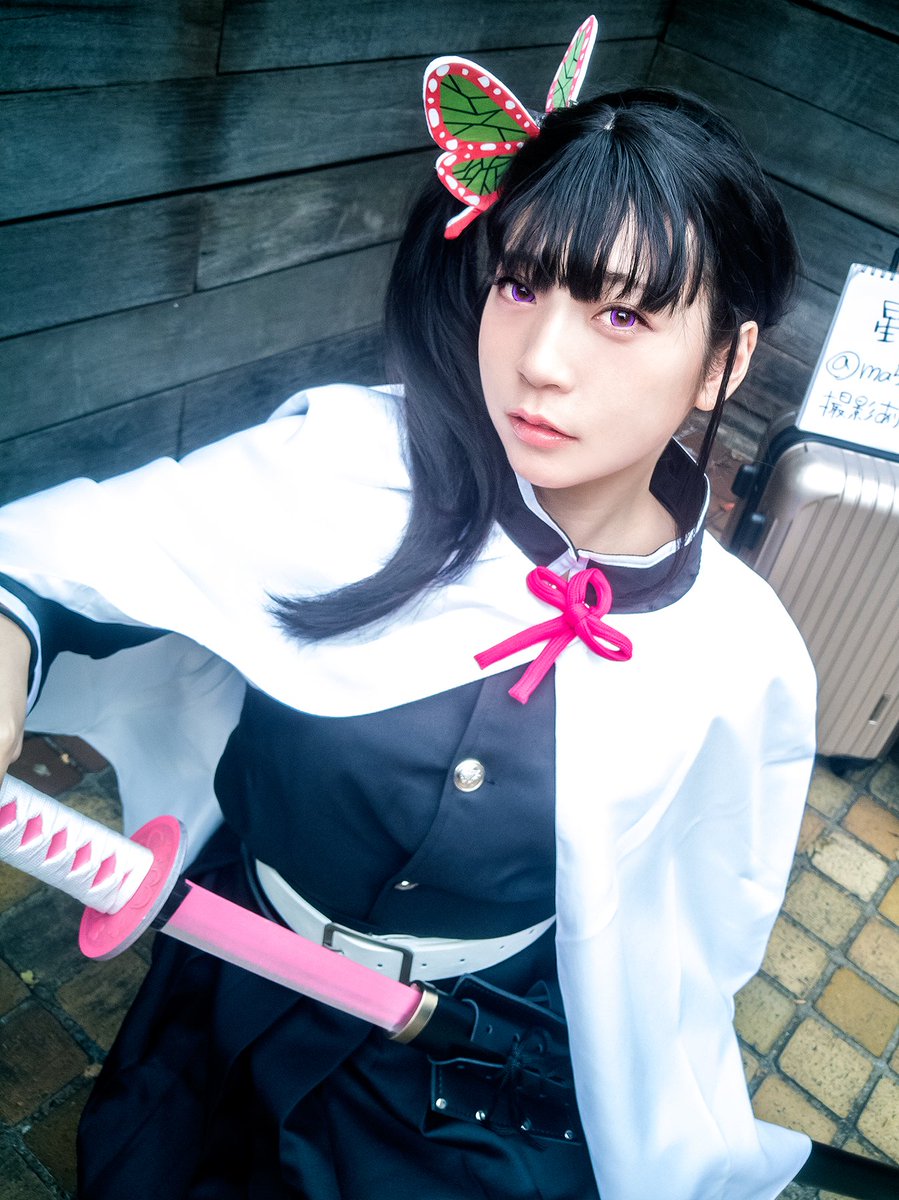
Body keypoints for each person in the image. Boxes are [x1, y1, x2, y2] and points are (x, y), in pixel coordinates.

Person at [0, 27, 817, 1200]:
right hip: (220, 992)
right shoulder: (350, 466)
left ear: (722, 362)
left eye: (622, 315)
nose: (540, 360)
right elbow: (74, 565)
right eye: (518, 283)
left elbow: (687, 931)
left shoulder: (740, 656)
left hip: (458, 1087)